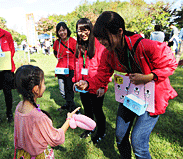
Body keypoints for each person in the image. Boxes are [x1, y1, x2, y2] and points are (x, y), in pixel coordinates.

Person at [75, 11, 178, 158]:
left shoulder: (146, 46)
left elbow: (170, 63)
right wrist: (87, 83)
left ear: (120, 32)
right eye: (99, 39)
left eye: (104, 38)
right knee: (120, 136)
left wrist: (149, 76)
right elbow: (102, 74)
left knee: (138, 143)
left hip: (152, 98)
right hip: (131, 95)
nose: (102, 42)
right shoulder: (108, 53)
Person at [14, 65, 80, 159]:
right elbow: (56, 138)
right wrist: (69, 119)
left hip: (23, 155)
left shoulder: (19, 107)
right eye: (43, 83)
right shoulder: (39, 117)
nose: (44, 86)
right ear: (36, 89)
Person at [72, 18, 108, 143]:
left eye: (85, 29)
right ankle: (89, 128)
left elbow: (105, 69)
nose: (82, 33)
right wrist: (75, 82)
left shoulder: (99, 45)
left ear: (90, 29)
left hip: (96, 85)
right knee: (87, 109)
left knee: (97, 111)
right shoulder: (79, 45)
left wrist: (103, 86)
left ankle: (101, 131)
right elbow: (77, 66)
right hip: (83, 85)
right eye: (79, 31)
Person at [53, 22, 77, 112]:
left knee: (69, 89)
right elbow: (55, 53)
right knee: (62, 90)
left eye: (64, 30)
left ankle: (72, 108)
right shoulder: (57, 42)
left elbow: (77, 54)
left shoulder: (73, 41)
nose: (62, 32)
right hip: (60, 69)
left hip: (70, 68)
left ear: (67, 30)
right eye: (60, 31)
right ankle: (70, 104)